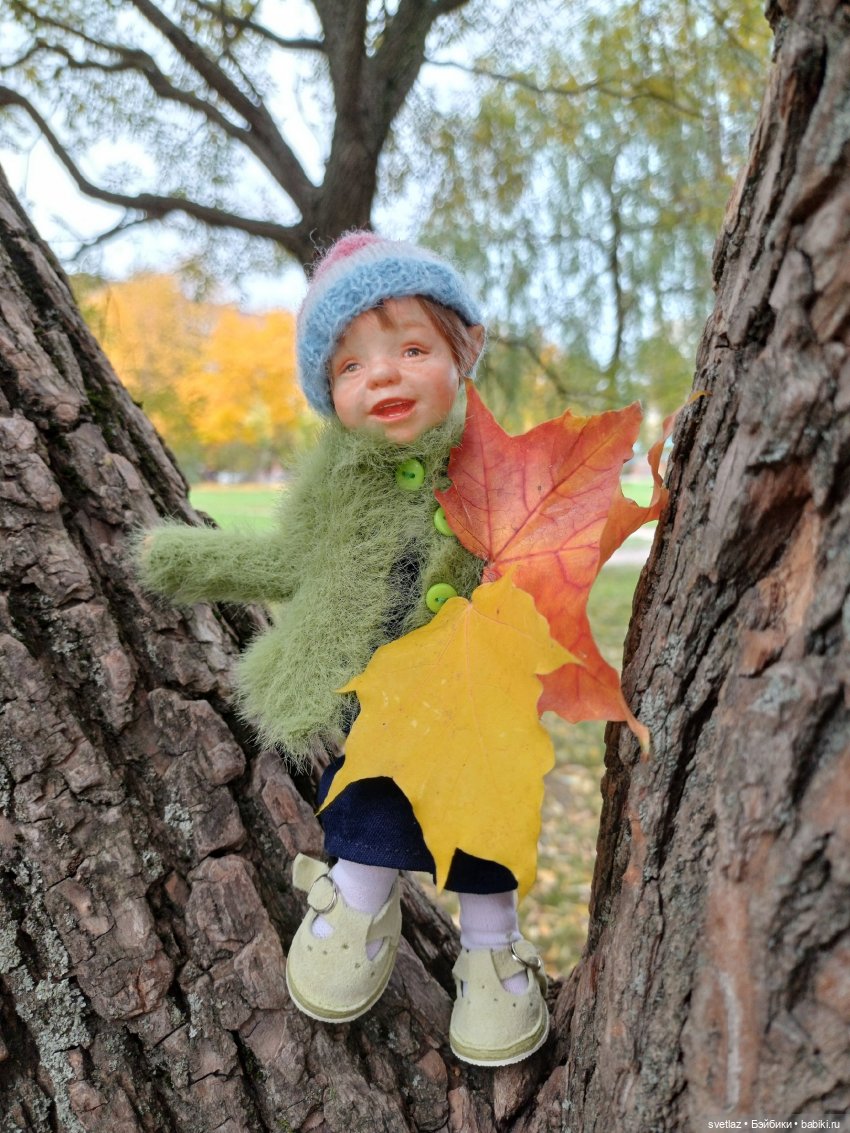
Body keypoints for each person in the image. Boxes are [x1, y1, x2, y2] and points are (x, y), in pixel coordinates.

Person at [137, 232, 549, 1067]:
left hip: (480, 699)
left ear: (463, 351)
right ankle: (359, 898)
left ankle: (491, 946)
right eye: (351, 367)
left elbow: (548, 550)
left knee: (488, 819)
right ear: (329, 394)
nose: (384, 375)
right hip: (381, 701)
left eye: (410, 347)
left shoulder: (497, 464)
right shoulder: (336, 484)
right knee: (368, 794)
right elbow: (293, 562)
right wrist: (199, 560)